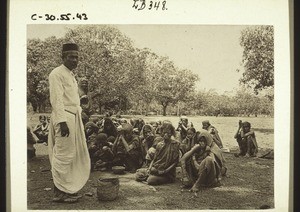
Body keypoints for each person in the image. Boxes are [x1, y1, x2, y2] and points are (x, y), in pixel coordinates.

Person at [48, 43, 90, 203]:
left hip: (73, 117)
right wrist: (62, 122)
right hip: (64, 118)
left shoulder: (71, 75)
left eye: (77, 57)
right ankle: (58, 193)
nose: (74, 60)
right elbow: (57, 100)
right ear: (63, 57)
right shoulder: (56, 74)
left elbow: (73, 99)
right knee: (63, 154)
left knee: (72, 154)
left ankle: (67, 189)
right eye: (71, 57)